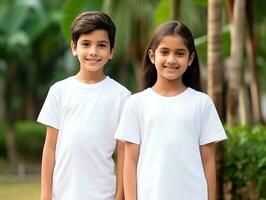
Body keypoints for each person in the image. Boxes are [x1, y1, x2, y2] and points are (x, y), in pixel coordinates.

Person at [115, 21, 227, 200]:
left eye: (180, 53)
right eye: (164, 52)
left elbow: (208, 161)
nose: (171, 60)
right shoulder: (136, 104)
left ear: (190, 59)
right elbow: (130, 162)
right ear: (152, 56)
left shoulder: (202, 103)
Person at [37, 11, 130, 200]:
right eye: (86, 44)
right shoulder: (59, 91)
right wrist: (46, 195)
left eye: (102, 45)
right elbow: (50, 148)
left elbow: (124, 154)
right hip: (62, 195)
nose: (93, 51)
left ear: (111, 51)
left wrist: (120, 197)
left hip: (104, 195)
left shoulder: (122, 96)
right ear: (74, 47)